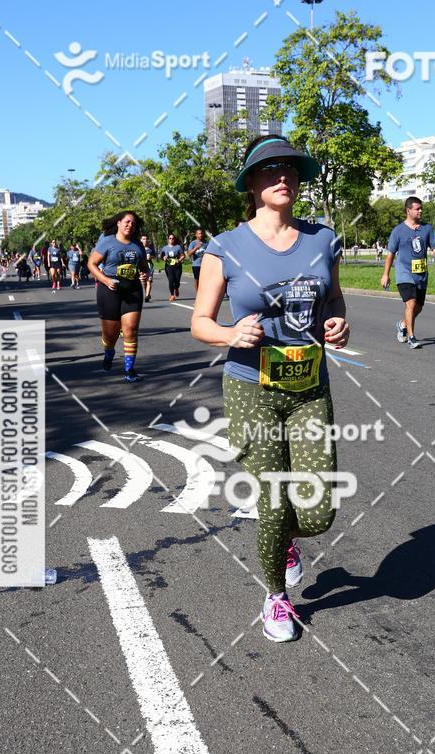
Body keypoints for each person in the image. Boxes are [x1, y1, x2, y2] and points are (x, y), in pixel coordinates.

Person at [191, 134, 350, 643]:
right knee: (275, 501)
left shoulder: (323, 240)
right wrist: (229, 333)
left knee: (318, 510)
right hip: (250, 386)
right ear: (252, 183)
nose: (283, 177)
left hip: (309, 386)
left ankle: (287, 541)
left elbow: (335, 303)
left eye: (291, 169)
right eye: (270, 170)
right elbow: (200, 321)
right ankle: (276, 597)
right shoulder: (226, 247)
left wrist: (337, 326)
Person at [381, 196, 435, 349]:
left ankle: (402, 324)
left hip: (421, 275)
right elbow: (390, 254)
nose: (420, 211)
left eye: (421, 208)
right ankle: (411, 337)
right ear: (408, 210)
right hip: (404, 274)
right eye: (417, 209)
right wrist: (386, 274)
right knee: (411, 303)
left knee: (418, 307)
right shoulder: (398, 231)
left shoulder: (427, 228)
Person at [88, 211, 148, 382]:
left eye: (133, 223)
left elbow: (144, 267)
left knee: (130, 330)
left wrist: (144, 275)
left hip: (132, 290)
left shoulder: (138, 244)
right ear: (119, 223)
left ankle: (129, 369)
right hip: (109, 291)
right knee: (110, 334)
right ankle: (109, 353)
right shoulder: (107, 242)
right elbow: (91, 264)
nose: (130, 225)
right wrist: (105, 280)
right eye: (127, 222)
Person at [159, 234, 185, 302]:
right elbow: (161, 256)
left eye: (172, 238)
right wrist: (164, 257)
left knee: (177, 281)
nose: (171, 239)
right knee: (171, 280)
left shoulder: (178, 247)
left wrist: (179, 260)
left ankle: (176, 288)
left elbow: (183, 256)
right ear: (168, 239)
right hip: (168, 266)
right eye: (170, 238)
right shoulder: (165, 248)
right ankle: (172, 295)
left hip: (177, 266)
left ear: (174, 239)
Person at [187, 228, 208, 294]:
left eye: (202, 233)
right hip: (196, 265)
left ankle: (204, 294)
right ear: (196, 235)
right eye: (199, 233)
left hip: (205, 265)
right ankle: (198, 295)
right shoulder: (193, 243)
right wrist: (196, 247)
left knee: (205, 280)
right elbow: (189, 254)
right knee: (197, 280)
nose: (201, 235)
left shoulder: (207, 243)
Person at [141, 234, 155, 302]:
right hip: (142, 267)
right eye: (143, 239)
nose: (145, 240)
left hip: (150, 267)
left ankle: (147, 296)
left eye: (146, 239)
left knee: (149, 281)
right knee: (144, 282)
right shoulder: (139, 248)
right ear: (141, 240)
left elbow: (154, 256)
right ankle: (147, 293)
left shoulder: (150, 249)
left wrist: (150, 257)